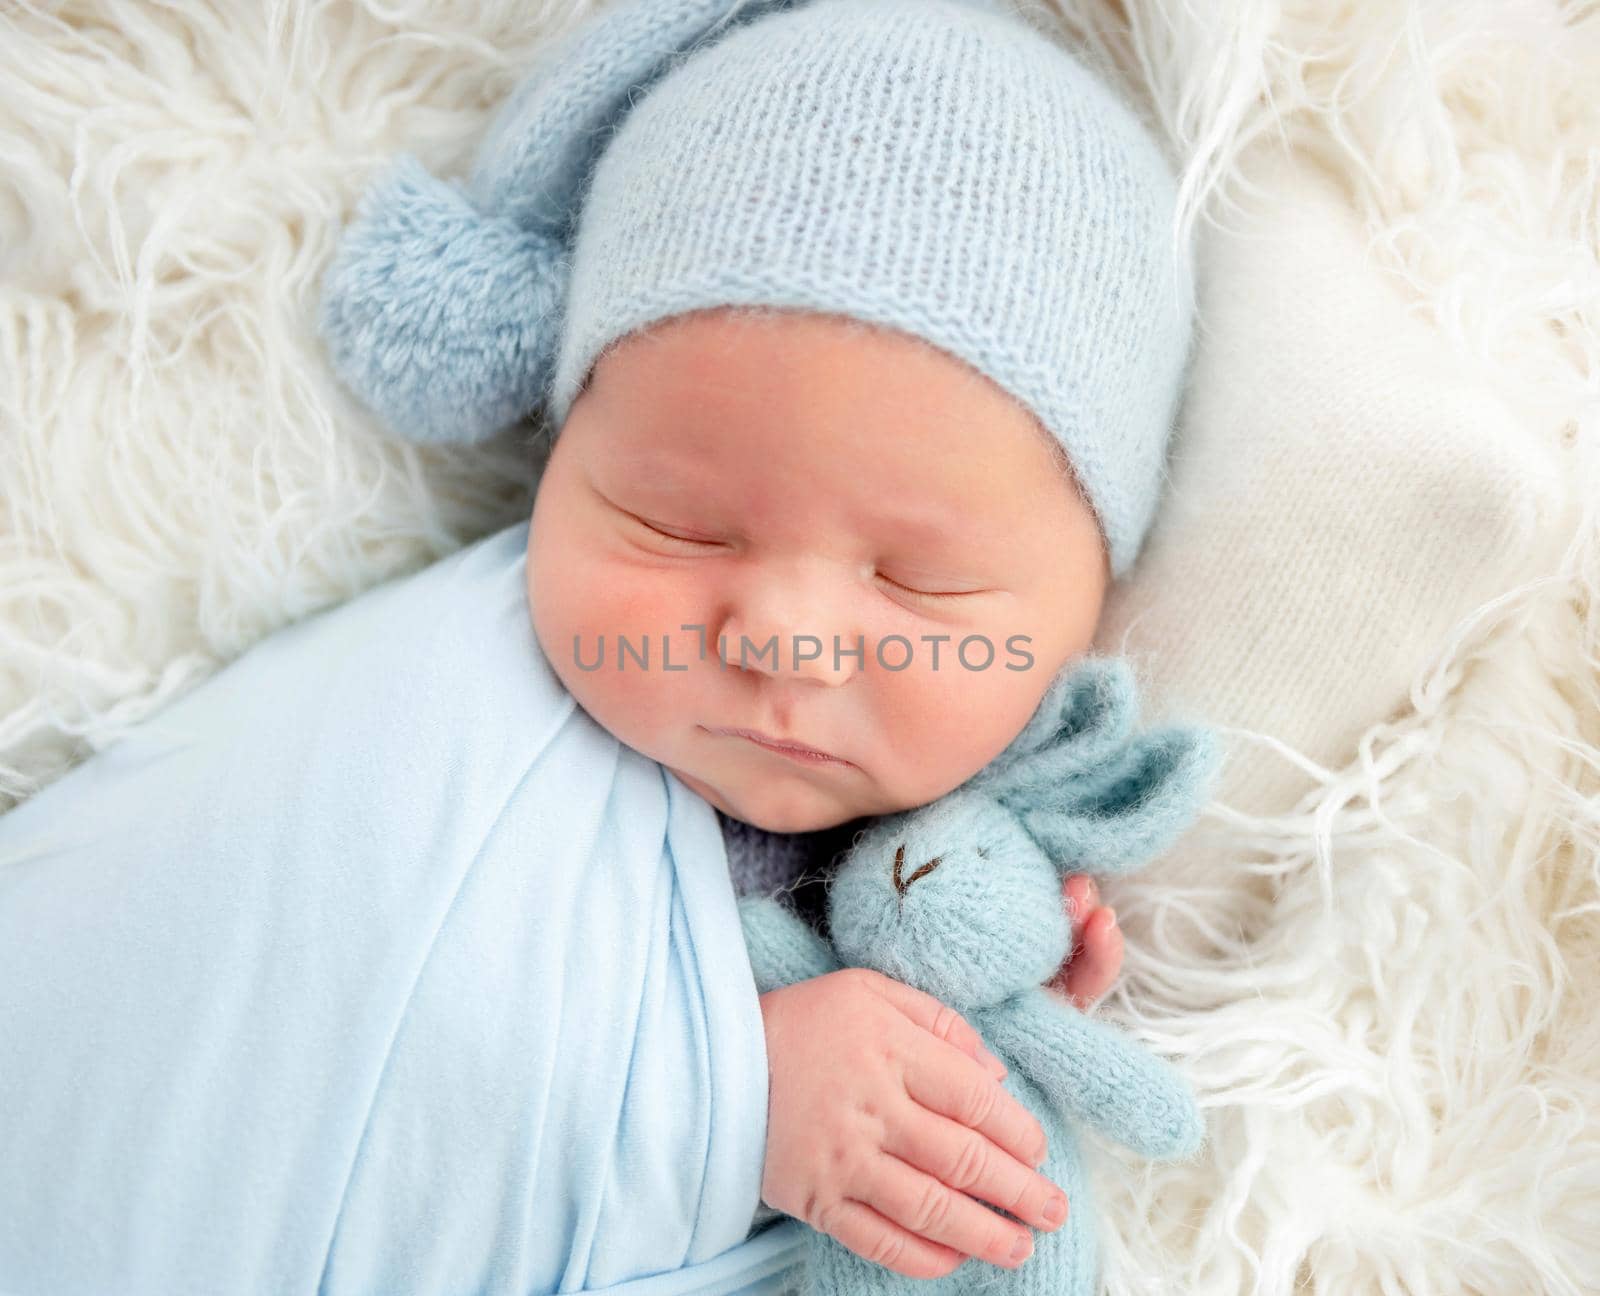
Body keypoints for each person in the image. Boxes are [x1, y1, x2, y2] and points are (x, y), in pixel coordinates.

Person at [319, 0, 1195, 1280]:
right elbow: (340, 1037)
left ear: (1088, 610)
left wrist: (969, 1037)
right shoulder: (440, 716)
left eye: (917, 583)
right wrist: (725, 1092)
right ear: (560, 460)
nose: (781, 639)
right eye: (675, 526)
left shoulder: (947, 848)